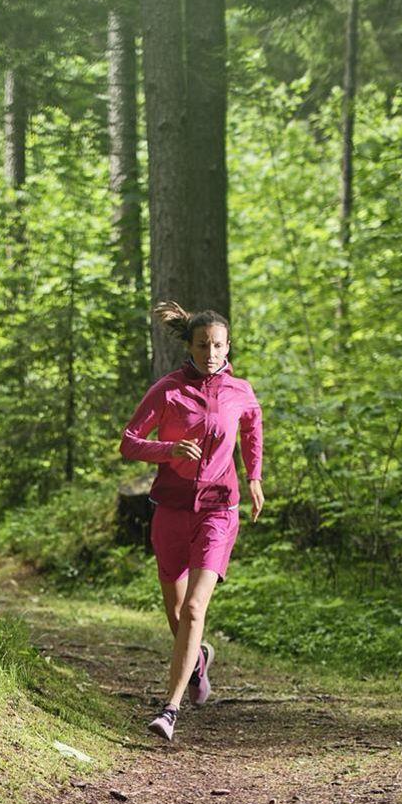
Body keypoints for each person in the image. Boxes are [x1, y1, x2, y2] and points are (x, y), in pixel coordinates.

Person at [119, 302, 264, 742]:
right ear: (191, 346)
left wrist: (254, 477)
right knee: (178, 613)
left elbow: (252, 427)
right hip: (171, 508)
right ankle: (198, 660)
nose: (211, 353)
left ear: (228, 346)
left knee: (196, 608)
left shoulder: (240, 390)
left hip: (219, 508)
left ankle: (170, 709)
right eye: (203, 345)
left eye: (218, 345)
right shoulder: (167, 391)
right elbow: (129, 442)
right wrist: (169, 450)